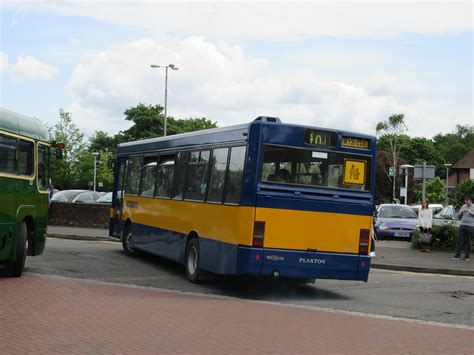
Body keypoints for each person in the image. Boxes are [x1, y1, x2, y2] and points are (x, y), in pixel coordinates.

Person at [452, 196, 474, 261]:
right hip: (462, 225)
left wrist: (469, 212)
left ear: (470, 201)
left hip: (470, 226)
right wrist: (462, 212)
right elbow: (458, 216)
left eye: (467, 202)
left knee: (468, 241)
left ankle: (467, 257)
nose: (466, 204)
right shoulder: (463, 206)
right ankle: (457, 255)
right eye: (465, 202)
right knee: (460, 241)